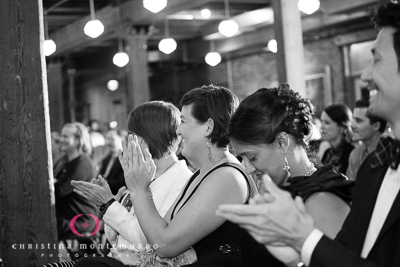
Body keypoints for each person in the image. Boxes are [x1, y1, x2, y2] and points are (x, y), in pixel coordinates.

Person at [216, 3, 400, 267]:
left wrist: (304, 241)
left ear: (281, 142)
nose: (366, 75)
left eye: (378, 59)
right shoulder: (376, 167)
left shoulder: (323, 197)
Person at [115, 85, 261, 267]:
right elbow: (158, 235)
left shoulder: (227, 176)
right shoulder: (203, 173)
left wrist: (139, 190)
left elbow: (165, 245)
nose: (178, 131)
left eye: (183, 121)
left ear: (208, 127)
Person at [72, 101, 193, 266]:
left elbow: (150, 243)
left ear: (147, 137)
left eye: (132, 134)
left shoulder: (182, 181)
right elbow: (117, 239)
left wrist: (108, 204)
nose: (128, 142)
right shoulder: (144, 172)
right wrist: (113, 203)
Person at [227, 84, 353, 238]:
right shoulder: (277, 189)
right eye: (242, 159)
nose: (248, 168)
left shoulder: (321, 202)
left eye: (252, 158)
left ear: (282, 142)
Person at [55, 122, 98, 240]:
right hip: (68, 216)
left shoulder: (81, 163)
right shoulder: (66, 161)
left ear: (78, 141)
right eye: (61, 136)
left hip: (83, 220)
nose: (61, 139)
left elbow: (59, 190)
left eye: (65, 137)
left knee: (41, 225)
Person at [346, 99, 387, 180]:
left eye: (358, 120)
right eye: (353, 119)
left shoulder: (389, 153)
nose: (352, 125)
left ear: (376, 126)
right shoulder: (355, 154)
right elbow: (351, 189)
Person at [319, 103, 354, 174]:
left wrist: (319, 165)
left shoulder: (350, 152)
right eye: (322, 122)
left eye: (327, 123)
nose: (322, 127)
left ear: (341, 126)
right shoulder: (327, 152)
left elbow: (343, 181)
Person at [98, 129, 127, 195]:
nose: (108, 143)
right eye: (107, 139)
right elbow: (100, 176)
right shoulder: (106, 159)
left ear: (122, 139)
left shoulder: (126, 158)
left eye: (112, 139)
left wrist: (104, 183)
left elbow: (122, 183)